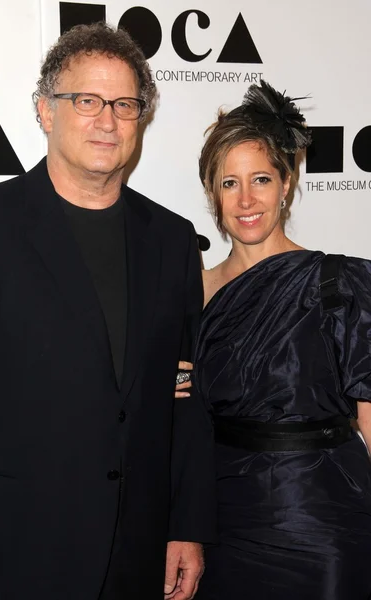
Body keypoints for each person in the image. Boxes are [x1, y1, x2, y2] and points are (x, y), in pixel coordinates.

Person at [0, 22, 216, 600]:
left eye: (125, 104)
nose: (107, 120)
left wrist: (186, 526)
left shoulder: (173, 239)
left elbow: (187, 398)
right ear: (45, 111)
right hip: (19, 546)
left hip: (141, 546)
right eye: (87, 100)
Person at [192, 81, 371, 599]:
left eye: (262, 179)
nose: (246, 200)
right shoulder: (192, 294)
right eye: (229, 183)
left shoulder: (340, 283)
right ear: (212, 192)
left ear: (287, 184)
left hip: (326, 524)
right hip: (222, 526)